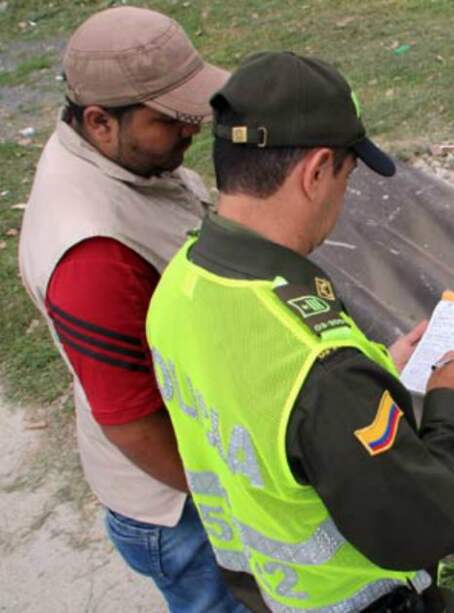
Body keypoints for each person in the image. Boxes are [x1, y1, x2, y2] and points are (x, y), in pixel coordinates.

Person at [145, 51, 454, 613]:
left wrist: (376, 368)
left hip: (263, 588)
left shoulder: (181, 279)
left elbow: (260, 400)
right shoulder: (326, 372)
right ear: (315, 172)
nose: (343, 196)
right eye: (347, 177)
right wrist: (450, 401)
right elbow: (432, 523)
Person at [18, 7, 247, 612]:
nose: (191, 131)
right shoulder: (93, 254)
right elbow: (130, 421)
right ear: (99, 121)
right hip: (180, 514)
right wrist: (226, 499)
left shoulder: (124, 157)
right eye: (170, 120)